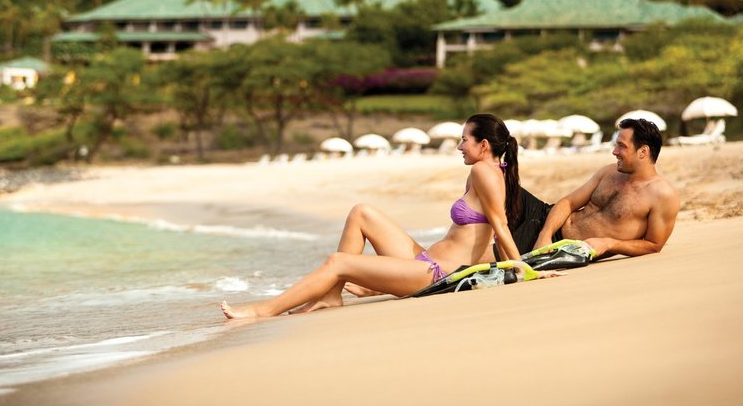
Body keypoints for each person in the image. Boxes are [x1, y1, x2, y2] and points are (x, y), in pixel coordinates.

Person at [220, 114, 533, 319]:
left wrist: (523, 270)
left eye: (464, 139)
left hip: (437, 276)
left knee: (338, 262)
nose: (459, 146)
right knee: (361, 213)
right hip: (426, 261)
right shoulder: (486, 173)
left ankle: (263, 310)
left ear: (484, 145)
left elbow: (500, 227)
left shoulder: (484, 172)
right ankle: (330, 295)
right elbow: (488, 237)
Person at [525, 118, 679, 259]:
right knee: (506, 187)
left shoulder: (662, 194)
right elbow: (569, 202)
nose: (614, 151)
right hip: (546, 221)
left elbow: (654, 245)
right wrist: (545, 234)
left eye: (622, 146)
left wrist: (609, 244)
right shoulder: (610, 172)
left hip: (564, 250)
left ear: (643, 152)